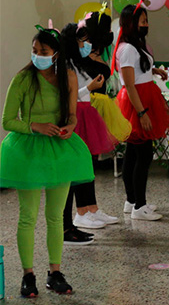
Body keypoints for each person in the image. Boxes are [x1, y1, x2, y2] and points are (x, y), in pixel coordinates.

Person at [0, 27, 94, 296]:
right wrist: (35, 126)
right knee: (28, 217)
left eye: (43, 52)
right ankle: (28, 275)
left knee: (55, 217)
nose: (37, 56)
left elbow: (73, 115)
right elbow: (7, 120)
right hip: (27, 151)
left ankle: (55, 272)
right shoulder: (22, 79)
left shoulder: (69, 77)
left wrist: (71, 126)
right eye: (34, 51)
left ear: (56, 55)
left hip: (59, 151)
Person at [60, 13, 120, 245]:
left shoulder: (79, 63)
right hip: (76, 118)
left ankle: (86, 212)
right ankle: (76, 217)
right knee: (74, 172)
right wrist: (89, 87)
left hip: (85, 116)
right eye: (81, 42)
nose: (85, 46)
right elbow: (71, 96)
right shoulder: (67, 65)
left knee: (86, 166)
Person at [114, 3, 169, 221]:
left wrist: (153, 70)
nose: (146, 24)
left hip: (142, 97)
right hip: (137, 102)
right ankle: (139, 205)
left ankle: (132, 201)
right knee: (143, 155)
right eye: (143, 21)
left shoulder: (133, 45)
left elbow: (137, 72)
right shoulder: (128, 48)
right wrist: (142, 113)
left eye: (147, 20)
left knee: (133, 154)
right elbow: (129, 84)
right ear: (131, 23)